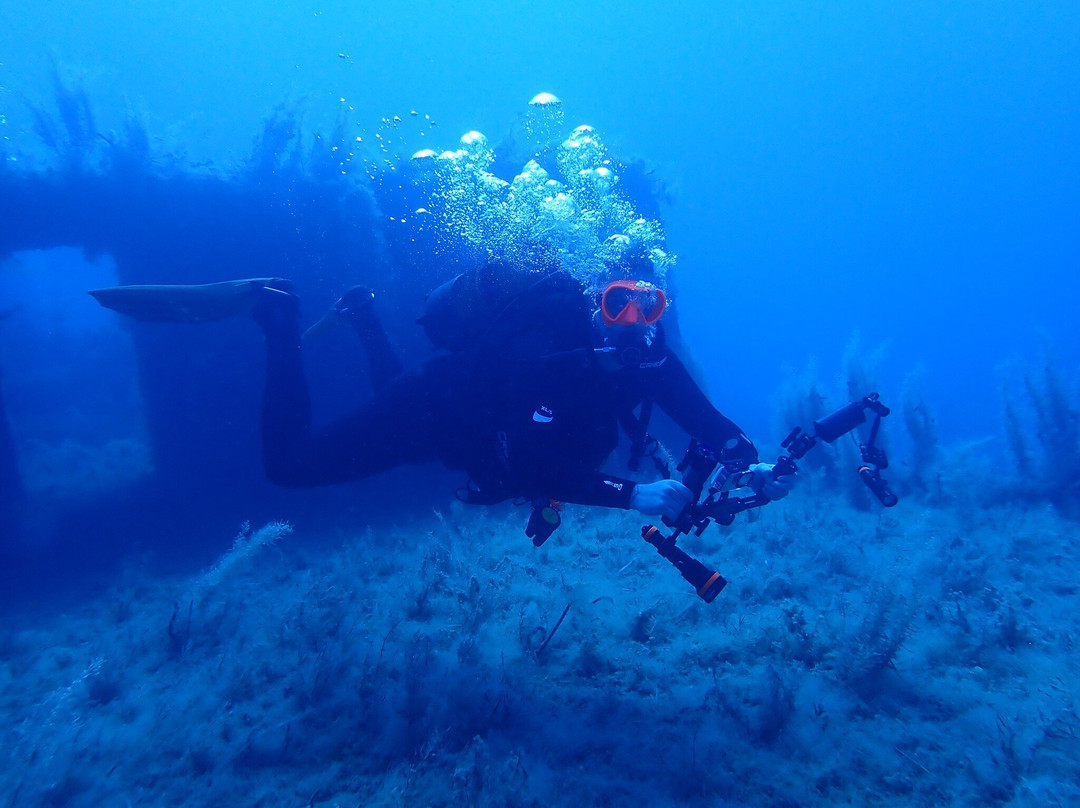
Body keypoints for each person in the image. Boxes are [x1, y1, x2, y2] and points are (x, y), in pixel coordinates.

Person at [252, 255, 795, 524]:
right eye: (617, 304)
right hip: (437, 407)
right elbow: (534, 467)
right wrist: (634, 495)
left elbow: (703, 417)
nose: (634, 322)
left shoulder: (648, 355)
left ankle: (365, 318)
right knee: (289, 466)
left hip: (469, 435)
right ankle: (280, 321)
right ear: (594, 308)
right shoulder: (544, 356)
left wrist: (750, 462)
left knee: (398, 408)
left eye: (649, 305)